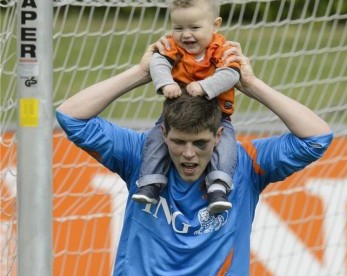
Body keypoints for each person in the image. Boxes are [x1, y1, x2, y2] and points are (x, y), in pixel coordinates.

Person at [56, 38, 333, 275]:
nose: (188, 154)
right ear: (163, 134)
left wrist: (250, 84)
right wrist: (143, 72)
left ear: (218, 137)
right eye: (178, 142)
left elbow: (317, 137)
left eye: (200, 143)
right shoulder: (140, 154)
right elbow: (71, 116)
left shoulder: (245, 161)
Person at [133, 0, 240, 214]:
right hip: (177, 115)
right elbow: (158, 62)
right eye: (178, 28)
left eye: (194, 28)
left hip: (217, 116)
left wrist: (204, 86)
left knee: (227, 144)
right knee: (156, 138)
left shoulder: (222, 48)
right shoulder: (172, 45)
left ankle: (218, 186)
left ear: (215, 25)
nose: (186, 35)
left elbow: (231, 74)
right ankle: (151, 183)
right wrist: (166, 83)